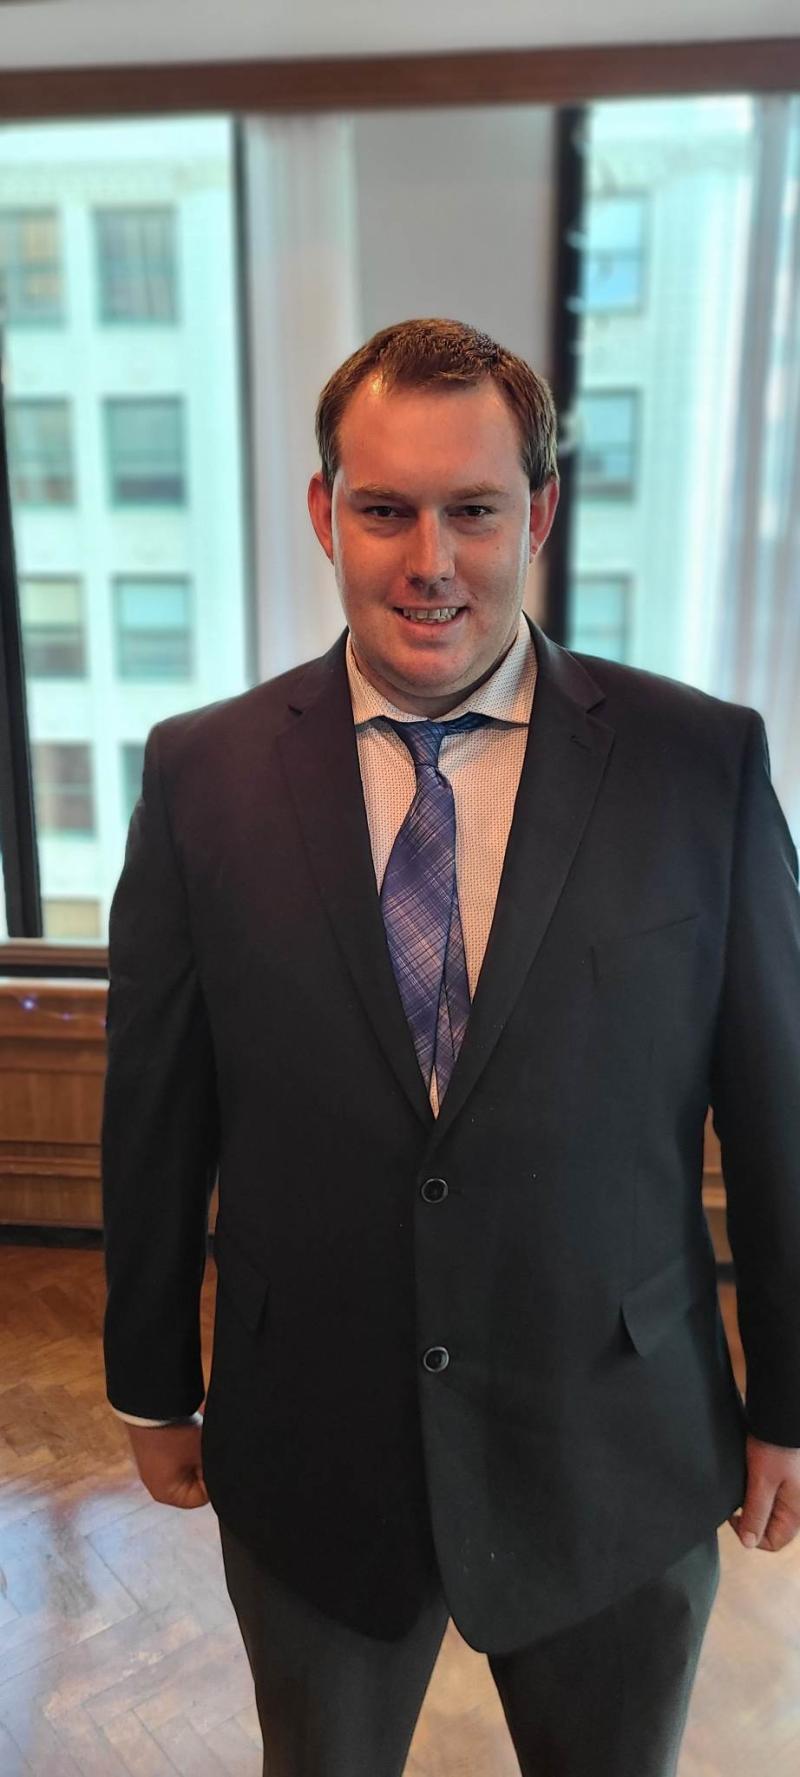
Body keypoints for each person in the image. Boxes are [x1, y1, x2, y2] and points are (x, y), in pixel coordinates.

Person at [101, 317, 800, 1777]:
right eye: (387, 509)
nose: (432, 559)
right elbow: (158, 1107)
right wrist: (152, 1375)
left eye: (475, 509)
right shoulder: (199, 776)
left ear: (536, 512)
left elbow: (781, 1105)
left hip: (619, 1446)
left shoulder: (701, 765)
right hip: (311, 1458)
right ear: (325, 512)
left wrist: (792, 1395)